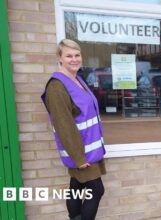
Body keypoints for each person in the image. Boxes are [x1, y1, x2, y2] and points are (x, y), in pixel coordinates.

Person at [41, 39, 106, 220]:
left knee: (77, 186)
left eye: (77, 55)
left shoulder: (77, 79)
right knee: (96, 189)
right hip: (80, 152)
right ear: (59, 58)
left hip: (88, 149)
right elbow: (64, 125)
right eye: (69, 56)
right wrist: (78, 157)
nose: (74, 59)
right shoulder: (57, 86)